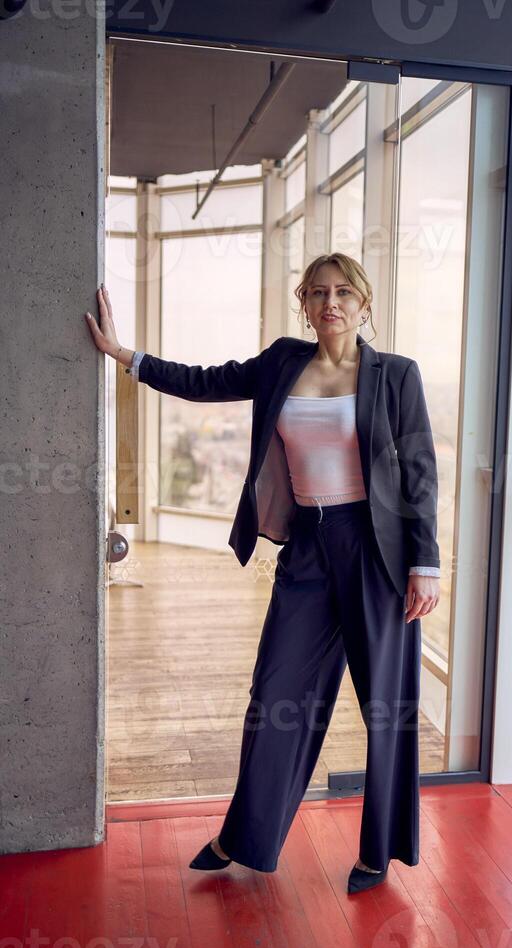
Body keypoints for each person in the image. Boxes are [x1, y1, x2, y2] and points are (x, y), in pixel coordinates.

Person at [85, 253, 440, 894]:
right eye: (318, 293)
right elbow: (206, 381)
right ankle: (242, 836)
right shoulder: (282, 361)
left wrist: (427, 563)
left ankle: (378, 849)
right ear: (303, 303)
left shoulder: (396, 376)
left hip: (376, 554)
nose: (331, 304)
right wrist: (125, 356)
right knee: (275, 694)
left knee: (385, 706)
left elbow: (419, 471)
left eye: (344, 293)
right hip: (307, 548)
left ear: (364, 304)